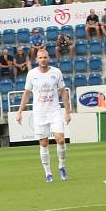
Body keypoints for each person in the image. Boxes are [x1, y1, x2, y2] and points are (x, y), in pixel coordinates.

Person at [16, 48, 71, 182]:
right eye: (40, 58)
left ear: (49, 58)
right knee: (44, 143)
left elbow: (63, 92)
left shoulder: (56, 72)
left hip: (54, 111)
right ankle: (48, 173)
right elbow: (27, 94)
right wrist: (19, 112)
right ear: (37, 60)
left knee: (61, 139)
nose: (43, 60)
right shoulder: (31, 74)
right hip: (39, 113)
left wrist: (67, 111)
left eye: (45, 57)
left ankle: (62, 166)